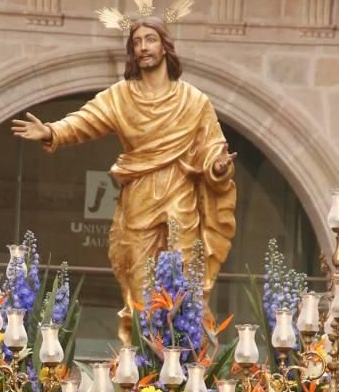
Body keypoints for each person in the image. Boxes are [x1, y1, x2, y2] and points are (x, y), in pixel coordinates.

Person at [12, 18, 236, 340]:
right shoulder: (121, 97)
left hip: (179, 197)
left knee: (184, 280)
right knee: (140, 286)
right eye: (137, 42)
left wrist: (218, 168)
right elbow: (85, 120)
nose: (143, 47)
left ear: (164, 45)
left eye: (150, 39)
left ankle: (187, 359)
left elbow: (213, 148)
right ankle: (140, 363)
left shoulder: (194, 101)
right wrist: (52, 131)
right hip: (140, 198)